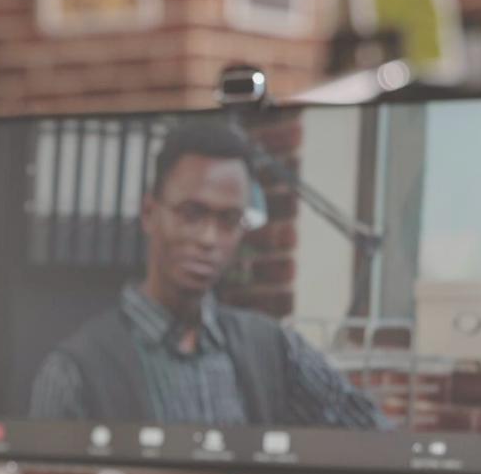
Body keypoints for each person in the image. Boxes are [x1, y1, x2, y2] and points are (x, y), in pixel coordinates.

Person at [30, 119, 386, 430]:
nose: (208, 239)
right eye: (191, 213)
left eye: (228, 220)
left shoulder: (274, 350)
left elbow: (375, 438)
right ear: (149, 212)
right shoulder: (76, 372)